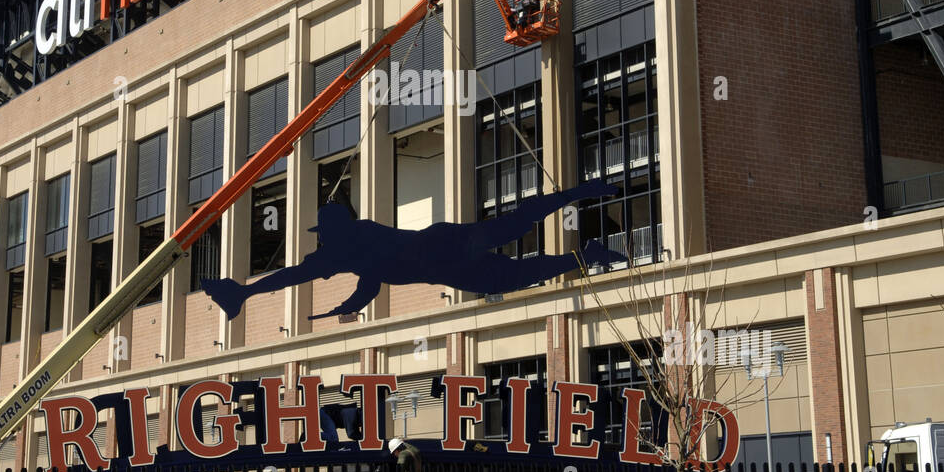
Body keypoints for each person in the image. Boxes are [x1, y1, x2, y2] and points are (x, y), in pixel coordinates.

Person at [201, 178, 626, 320]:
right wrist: (349, 305)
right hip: (449, 261)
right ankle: (586, 250)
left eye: (323, 231)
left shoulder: (343, 248)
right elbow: (369, 284)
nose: (322, 239)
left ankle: (585, 199)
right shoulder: (352, 245)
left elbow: (294, 275)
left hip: (445, 248)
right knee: (518, 268)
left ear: (334, 229)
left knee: (516, 230)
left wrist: (247, 292)